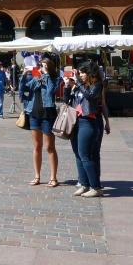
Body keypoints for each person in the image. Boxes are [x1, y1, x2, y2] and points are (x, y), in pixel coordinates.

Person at [68, 60, 110, 198]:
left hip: (89, 122)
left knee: (86, 155)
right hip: (76, 121)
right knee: (79, 154)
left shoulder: (97, 86)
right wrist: (69, 87)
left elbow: (90, 96)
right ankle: (84, 184)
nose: (80, 76)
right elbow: (67, 101)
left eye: (82, 73)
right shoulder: (79, 86)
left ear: (89, 73)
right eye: (79, 73)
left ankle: (96, 187)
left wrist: (107, 122)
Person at [22, 58, 62, 187]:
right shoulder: (36, 79)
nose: (42, 67)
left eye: (45, 66)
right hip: (34, 114)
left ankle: (53, 177)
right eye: (41, 65)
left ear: (49, 67)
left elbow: (51, 91)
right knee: (36, 146)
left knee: (50, 147)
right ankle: (37, 176)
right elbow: (24, 88)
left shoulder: (55, 79)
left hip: (48, 115)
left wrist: (46, 75)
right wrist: (23, 76)